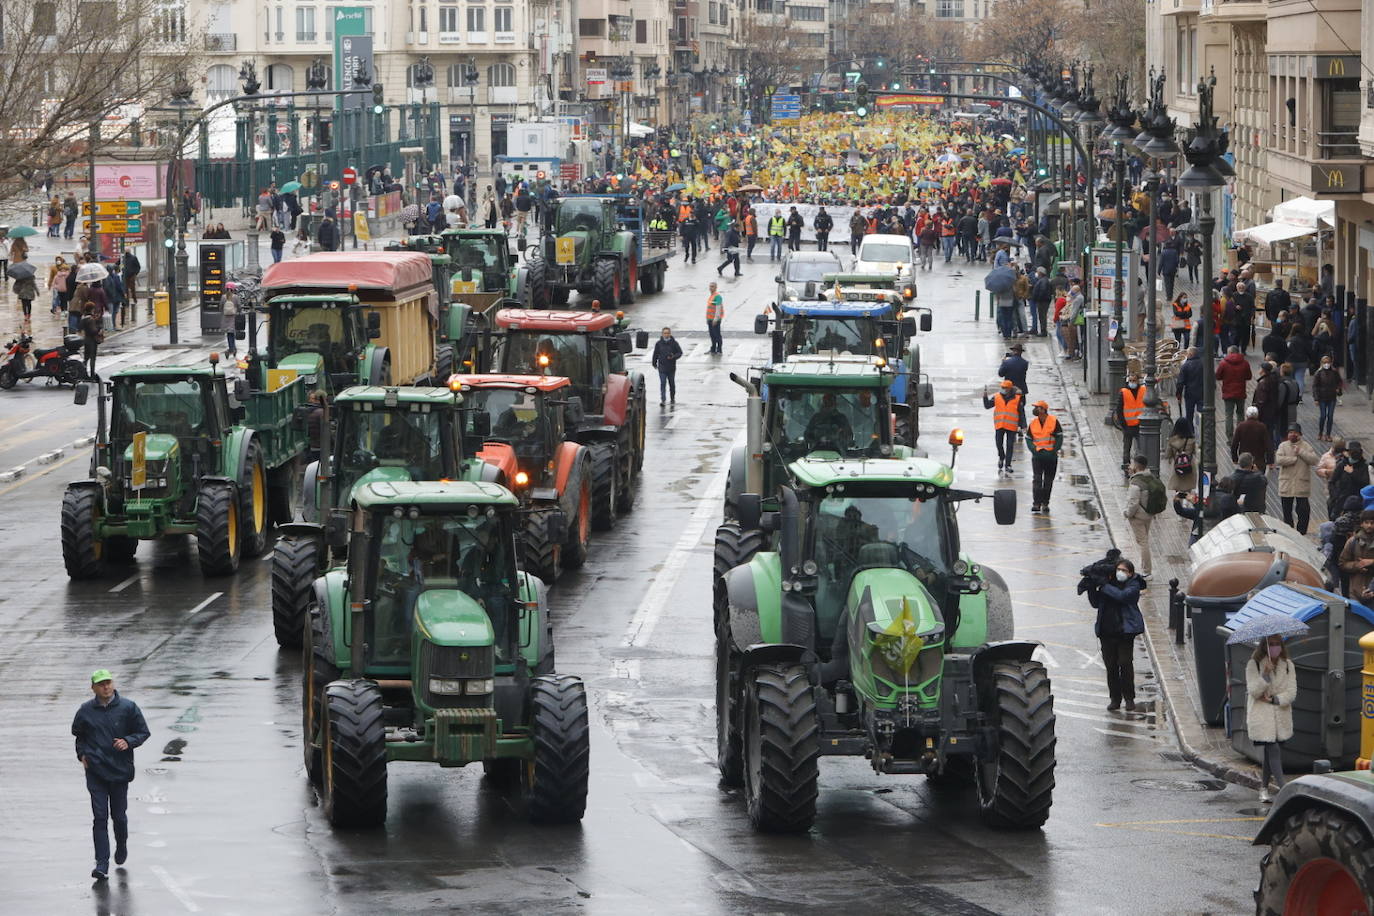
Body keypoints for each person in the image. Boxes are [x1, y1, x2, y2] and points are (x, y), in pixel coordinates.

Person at [72, 669, 150, 880]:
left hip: (119, 770)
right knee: (99, 817)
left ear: (113, 684)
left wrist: (128, 741)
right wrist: (82, 755)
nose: (105, 687)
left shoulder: (128, 707)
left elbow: (143, 732)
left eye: (108, 683)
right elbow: (79, 736)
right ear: (93, 688)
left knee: (119, 817)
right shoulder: (85, 711)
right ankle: (102, 863)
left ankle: (122, 844)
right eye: (101, 684)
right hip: (95, 771)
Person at [1246, 635, 1297, 803]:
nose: (1275, 648)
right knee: (1273, 748)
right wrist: (1265, 675)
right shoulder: (1253, 664)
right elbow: (1254, 691)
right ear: (1264, 646)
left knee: (1269, 755)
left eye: (1278, 644)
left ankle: (1263, 789)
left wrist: (1275, 699)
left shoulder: (1288, 665)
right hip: (1262, 717)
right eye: (1271, 644)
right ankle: (1284, 789)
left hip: (1280, 716)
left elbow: (1291, 692)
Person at [1094, 557, 1147, 711]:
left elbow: (1123, 597)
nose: (1120, 573)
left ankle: (1129, 698)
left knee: (1125, 663)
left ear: (1130, 573)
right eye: (1118, 569)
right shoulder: (1108, 583)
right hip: (1106, 631)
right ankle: (1115, 699)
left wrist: (1104, 586)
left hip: (1124, 632)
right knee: (1111, 667)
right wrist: (1091, 587)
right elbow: (1095, 603)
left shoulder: (1133, 585)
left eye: (1124, 570)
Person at [1123, 455, 1164, 577]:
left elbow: (1133, 503)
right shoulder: (1150, 477)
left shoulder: (1136, 484)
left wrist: (1127, 514)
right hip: (1149, 515)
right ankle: (1146, 569)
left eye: (1131, 464)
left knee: (1143, 543)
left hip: (1138, 517)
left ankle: (1146, 572)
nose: (1130, 466)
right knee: (1144, 540)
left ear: (1136, 466)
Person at [1275, 424, 1320, 534]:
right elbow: (1279, 460)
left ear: (1300, 434)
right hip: (1287, 484)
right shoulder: (1283, 446)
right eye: (1290, 432)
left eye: (1295, 432)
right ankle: (1289, 532)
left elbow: (1314, 460)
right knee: (1287, 511)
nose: (1292, 434)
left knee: (1303, 510)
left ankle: (1302, 532)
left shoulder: (1306, 446)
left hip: (1301, 483)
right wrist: (1293, 459)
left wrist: (1300, 452)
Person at [1025, 400, 1062, 513]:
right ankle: (1036, 504)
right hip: (1037, 457)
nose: (1035, 410)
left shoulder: (1054, 421)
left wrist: (1053, 451)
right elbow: (1028, 439)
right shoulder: (1033, 423)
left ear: (1043, 410)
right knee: (1037, 480)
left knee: (1048, 481)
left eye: (1037, 407)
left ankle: (1045, 503)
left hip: (1051, 457)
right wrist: (1034, 450)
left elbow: (1059, 438)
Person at [983, 380, 1025, 475]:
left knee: (1010, 446)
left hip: (1011, 425)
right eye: (1002, 387)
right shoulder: (997, 397)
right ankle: (1001, 456)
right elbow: (987, 406)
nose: (1003, 389)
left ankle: (1008, 465)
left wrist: (1023, 426)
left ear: (1010, 389)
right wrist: (985, 396)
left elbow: (1021, 413)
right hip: (1000, 425)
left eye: (1005, 388)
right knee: (999, 443)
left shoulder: (1017, 398)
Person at [1215, 345, 1253, 438]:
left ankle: (1230, 436)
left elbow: (1218, 376)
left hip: (1228, 393)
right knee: (1240, 414)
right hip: (1240, 392)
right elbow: (1249, 376)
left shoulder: (1224, 363)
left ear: (1230, 352)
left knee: (1229, 415)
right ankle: (1241, 434)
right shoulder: (1245, 363)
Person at [1329, 440, 1370, 521]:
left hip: (1356, 503)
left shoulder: (1364, 466)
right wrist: (1335, 496)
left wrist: (1352, 473)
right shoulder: (1342, 464)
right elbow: (1332, 481)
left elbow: (1365, 483)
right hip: (1341, 502)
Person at [1116, 374, 1146, 473]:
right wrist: (1123, 425)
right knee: (1126, 450)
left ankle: (1139, 469)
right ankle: (1127, 470)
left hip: (1139, 425)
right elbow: (1119, 410)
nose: (1132, 383)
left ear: (1138, 381)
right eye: (1131, 380)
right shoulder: (1124, 392)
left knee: (1141, 449)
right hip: (1128, 426)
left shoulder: (1143, 390)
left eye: (1134, 380)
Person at [1311, 354, 1342, 442]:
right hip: (1322, 398)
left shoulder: (1334, 372)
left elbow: (1339, 382)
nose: (1326, 364)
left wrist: (1338, 389)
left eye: (1328, 362)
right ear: (1321, 363)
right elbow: (1315, 386)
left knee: (1330, 416)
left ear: (1331, 363)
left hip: (1332, 397)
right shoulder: (1318, 373)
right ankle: (1320, 432)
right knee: (1323, 416)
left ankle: (1328, 434)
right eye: (1325, 362)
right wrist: (1316, 399)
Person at [1165, 416, 1197, 495]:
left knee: (1178, 488)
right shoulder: (1192, 440)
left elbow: (1168, 455)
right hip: (1189, 465)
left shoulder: (1172, 440)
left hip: (1177, 465)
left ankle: (1179, 503)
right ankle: (1186, 504)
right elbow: (1195, 452)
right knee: (1188, 489)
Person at [651, 327, 682, 406]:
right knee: (663, 383)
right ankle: (663, 400)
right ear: (662, 334)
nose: (666, 334)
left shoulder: (674, 343)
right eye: (665, 333)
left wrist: (673, 357)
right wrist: (654, 363)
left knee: (671, 384)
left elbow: (680, 353)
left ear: (670, 334)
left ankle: (672, 398)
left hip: (671, 367)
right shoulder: (658, 343)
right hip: (662, 367)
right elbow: (655, 354)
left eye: (668, 333)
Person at [1175, 346, 1203, 428]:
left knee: (1189, 415)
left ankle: (1191, 432)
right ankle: (1200, 430)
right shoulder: (1203, 364)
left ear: (1190, 354)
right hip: (1202, 393)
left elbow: (1180, 382)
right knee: (1201, 413)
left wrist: (1178, 394)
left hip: (1190, 393)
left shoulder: (1185, 366)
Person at [79, 305, 102, 377]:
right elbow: (93, 331)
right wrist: (99, 329)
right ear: (91, 309)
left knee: (86, 358)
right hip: (92, 340)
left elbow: (79, 328)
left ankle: (83, 372)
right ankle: (92, 374)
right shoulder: (91, 319)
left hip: (86, 339)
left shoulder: (83, 318)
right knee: (92, 358)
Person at [705, 282, 724, 355]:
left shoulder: (717, 296)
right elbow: (710, 308)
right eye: (710, 286)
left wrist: (716, 319)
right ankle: (713, 349)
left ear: (716, 288)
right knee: (712, 335)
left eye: (712, 286)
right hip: (710, 319)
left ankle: (719, 350)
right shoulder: (711, 296)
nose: (711, 288)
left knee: (717, 335)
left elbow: (718, 308)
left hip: (715, 320)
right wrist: (707, 319)